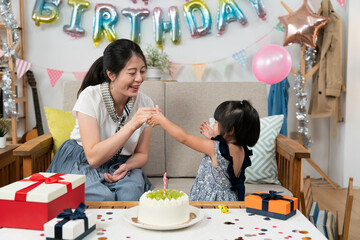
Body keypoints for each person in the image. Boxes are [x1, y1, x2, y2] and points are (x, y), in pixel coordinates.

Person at [47, 39, 157, 201]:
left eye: (142, 71)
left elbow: (141, 154)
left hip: (120, 162)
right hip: (82, 158)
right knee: (101, 197)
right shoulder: (90, 97)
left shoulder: (145, 103)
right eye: (132, 73)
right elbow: (93, 158)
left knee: (130, 195)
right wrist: (133, 124)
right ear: (111, 74)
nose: (139, 78)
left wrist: (127, 166)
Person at [148, 100, 260, 201]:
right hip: (230, 199)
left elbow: (184, 138)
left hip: (211, 201)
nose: (213, 124)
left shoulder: (213, 147)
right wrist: (214, 137)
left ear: (230, 130)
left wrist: (162, 120)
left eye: (216, 122)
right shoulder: (242, 150)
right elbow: (225, 158)